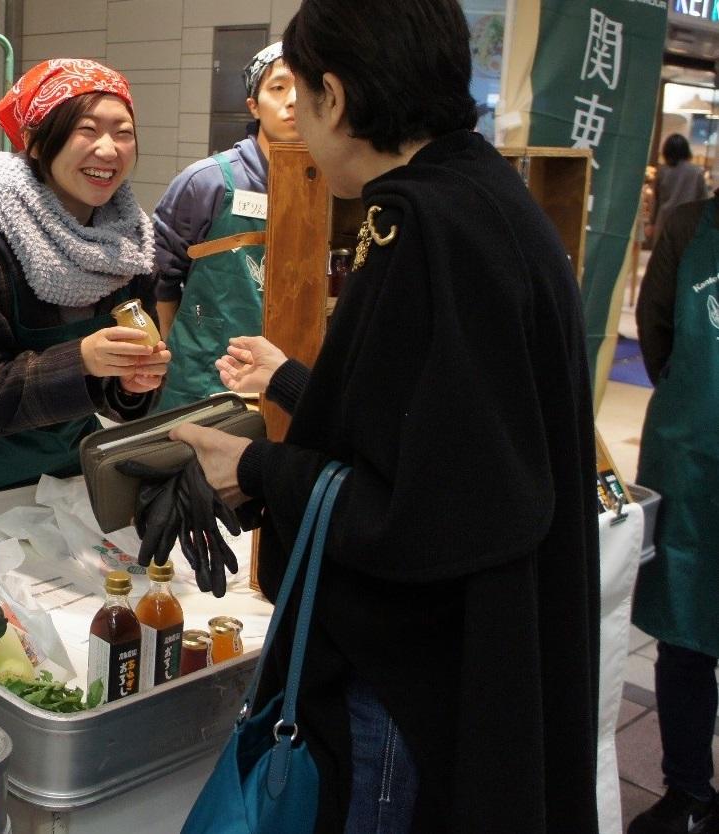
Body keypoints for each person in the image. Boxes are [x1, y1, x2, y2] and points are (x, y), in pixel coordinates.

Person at [170, 1, 601, 831]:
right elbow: (433, 420)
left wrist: (252, 468)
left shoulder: (416, 225)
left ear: (336, 95)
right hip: (478, 656)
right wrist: (297, 382)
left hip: (406, 676)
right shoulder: (487, 201)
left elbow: (425, 511)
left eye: (304, 93)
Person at [0, 59, 170, 504]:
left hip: (66, 479)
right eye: (87, 130)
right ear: (35, 143)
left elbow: (117, 401)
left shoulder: (130, 249)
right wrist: (82, 358)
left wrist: (131, 384)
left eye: (123, 132)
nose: (108, 150)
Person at [627, 193, 719, 834]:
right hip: (695, 462)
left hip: (697, 450)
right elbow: (658, 333)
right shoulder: (692, 226)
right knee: (685, 630)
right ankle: (689, 791)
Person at [151, 42, 297, 410]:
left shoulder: (337, 188)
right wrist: (178, 350)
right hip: (206, 377)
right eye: (278, 87)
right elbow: (159, 277)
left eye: (306, 87)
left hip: (291, 379)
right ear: (254, 105)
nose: (293, 100)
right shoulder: (207, 181)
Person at [647, 134, 708, 248]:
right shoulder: (697, 172)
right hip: (688, 223)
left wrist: (652, 223)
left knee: (662, 259)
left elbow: (655, 200)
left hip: (664, 222)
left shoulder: (662, 171)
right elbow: (703, 201)